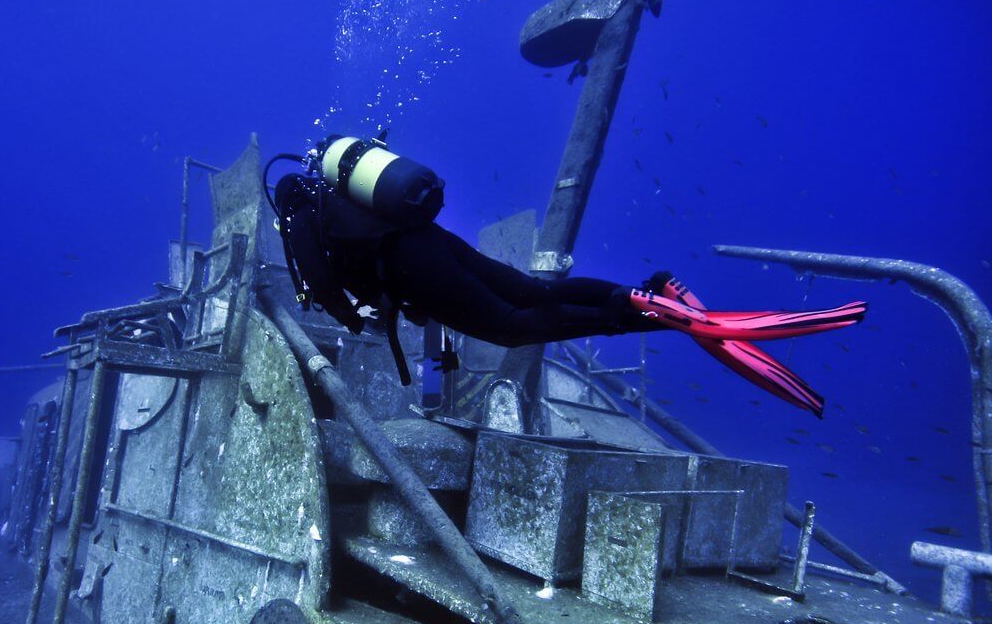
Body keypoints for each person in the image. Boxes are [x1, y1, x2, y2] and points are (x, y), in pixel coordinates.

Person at [270, 142, 865, 418]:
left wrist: (353, 319)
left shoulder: (299, 212)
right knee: (533, 291)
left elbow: (320, 285)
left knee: (511, 328)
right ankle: (642, 292)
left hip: (410, 268)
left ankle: (645, 313)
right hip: (431, 242)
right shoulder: (342, 197)